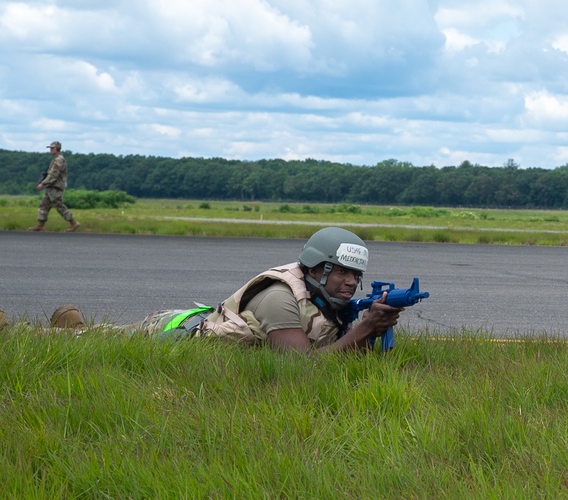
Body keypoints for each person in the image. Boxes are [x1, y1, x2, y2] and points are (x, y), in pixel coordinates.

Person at [137, 227, 404, 352]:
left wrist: (368, 336)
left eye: (356, 274)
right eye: (340, 271)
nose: (350, 281)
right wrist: (365, 329)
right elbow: (301, 370)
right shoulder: (280, 298)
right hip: (169, 330)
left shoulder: (329, 300)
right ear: (314, 270)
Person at [29, 140, 82, 233]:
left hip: (55, 187)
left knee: (58, 205)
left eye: (52, 148)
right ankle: (40, 225)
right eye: (50, 148)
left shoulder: (59, 160)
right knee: (44, 205)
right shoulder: (56, 159)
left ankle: (74, 223)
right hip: (51, 186)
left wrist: (43, 183)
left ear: (57, 148)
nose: (51, 149)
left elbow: (53, 175)